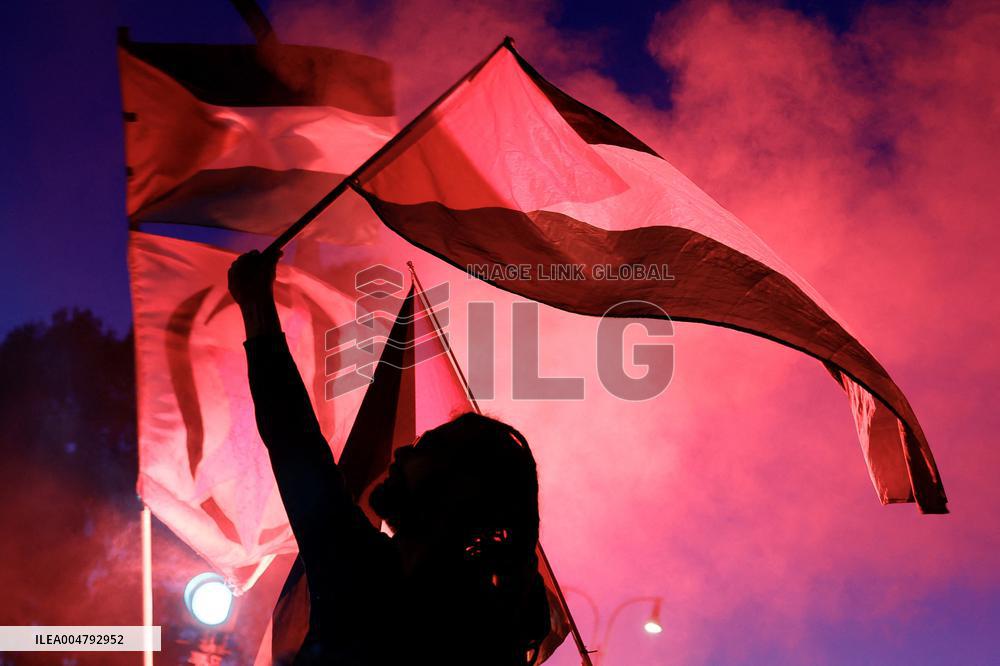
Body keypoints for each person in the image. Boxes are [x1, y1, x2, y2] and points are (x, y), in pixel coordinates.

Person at [228, 250, 551, 665]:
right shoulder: (488, 622)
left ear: (456, 489)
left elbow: (296, 444)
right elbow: (296, 447)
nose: (400, 450)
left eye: (424, 450)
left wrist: (255, 304)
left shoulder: (366, 578)